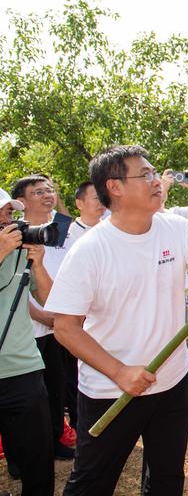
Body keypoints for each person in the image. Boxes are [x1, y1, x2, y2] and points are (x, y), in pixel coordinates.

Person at [46, 145, 188, 496]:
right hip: (112, 389)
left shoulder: (175, 228)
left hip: (171, 379)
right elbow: (64, 326)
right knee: (92, 482)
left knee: (167, 479)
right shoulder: (91, 249)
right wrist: (120, 371)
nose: (158, 181)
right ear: (115, 187)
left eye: (155, 173)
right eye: (146, 174)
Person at [13, 175, 75, 462]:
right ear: (21, 201)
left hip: (57, 326)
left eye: (50, 190)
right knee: (27, 398)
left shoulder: (58, 230)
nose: (47, 195)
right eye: (38, 192)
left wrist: (59, 317)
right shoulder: (15, 234)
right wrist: (43, 315)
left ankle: (54, 439)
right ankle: (19, 456)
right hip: (29, 329)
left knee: (56, 388)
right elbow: (15, 287)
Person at [0, 188, 55, 496]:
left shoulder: (21, 254)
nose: (9, 221)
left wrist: (39, 265)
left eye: (10, 213)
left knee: (37, 456)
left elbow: (49, 300)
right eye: (3, 214)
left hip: (24, 367)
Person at [61, 182, 106, 430]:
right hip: (79, 321)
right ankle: (80, 426)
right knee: (77, 379)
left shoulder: (112, 230)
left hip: (106, 322)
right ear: (79, 203)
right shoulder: (67, 236)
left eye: (102, 197)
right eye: (94, 197)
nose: (100, 201)